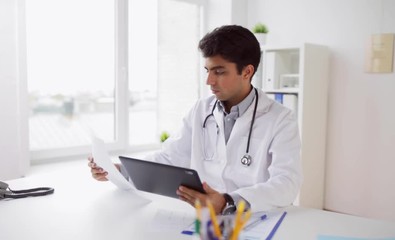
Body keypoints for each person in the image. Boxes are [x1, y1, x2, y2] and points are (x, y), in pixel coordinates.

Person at [88, 25, 302, 215]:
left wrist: (228, 202)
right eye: (207, 70)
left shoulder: (281, 119)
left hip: (255, 217)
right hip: (201, 217)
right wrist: (121, 171)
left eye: (219, 72)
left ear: (247, 72)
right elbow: (170, 157)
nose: (209, 81)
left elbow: (286, 184)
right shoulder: (201, 110)